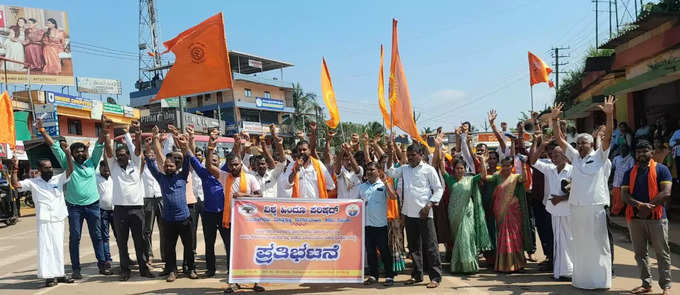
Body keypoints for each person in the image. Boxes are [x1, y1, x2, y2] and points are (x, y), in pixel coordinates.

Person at [550, 97, 615, 290]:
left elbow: (609, 136)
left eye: (583, 143)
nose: (579, 146)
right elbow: (560, 140)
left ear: (591, 144)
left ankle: (601, 281)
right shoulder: (575, 158)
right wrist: (554, 120)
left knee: (598, 245)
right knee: (580, 245)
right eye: (578, 143)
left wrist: (609, 115)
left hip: (595, 208)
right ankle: (581, 280)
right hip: (577, 208)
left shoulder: (600, 156)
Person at [37, 117, 111, 279]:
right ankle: (76, 269)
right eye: (76, 152)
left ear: (86, 152)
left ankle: (102, 264)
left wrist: (104, 129)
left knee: (97, 236)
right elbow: (54, 146)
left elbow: (99, 145)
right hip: (74, 207)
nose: (79, 154)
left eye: (82, 151)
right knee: (75, 238)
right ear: (72, 154)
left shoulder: (92, 162)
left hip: (93, 206)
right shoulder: (67, 162)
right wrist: (42, 130)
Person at [195, 138, 262, 293]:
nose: (233, 167)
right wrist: (211, 145)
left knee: (251, 250)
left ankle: (255, 280)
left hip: (247, 222)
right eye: (231, 165)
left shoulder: (251, 178)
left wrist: (244, 196)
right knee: (231, 251)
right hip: (230, 221)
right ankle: (233, 281)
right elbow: (209, 166)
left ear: (241, 164)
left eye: (236, 164)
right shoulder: (225, 177)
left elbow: (259, 196)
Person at [386, 139, 443, 288]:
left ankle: (435, 277)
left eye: (413, 155)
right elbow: (390, 172)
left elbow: (438, 189)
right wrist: (391, 153)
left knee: (430, 246)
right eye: (409, 155)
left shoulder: (429, 169)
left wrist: (429, 205)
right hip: (409, 213)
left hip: (425, 213)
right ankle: (417, 275)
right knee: (413, 247)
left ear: (421, 155)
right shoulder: (404, 169)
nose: (410, 158)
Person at [11, 154, 75, 287]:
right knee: (46, 248)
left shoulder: (58, 179)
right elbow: (16, 185)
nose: (50, 170)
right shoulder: (33, 182)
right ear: (40, 170)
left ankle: (60, 274)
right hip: (44, 220)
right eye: (46, 168)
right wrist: (14, 168)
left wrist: (68, 154)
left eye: (50, 167)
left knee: (58, 247)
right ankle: (49, 276)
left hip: (58, 218)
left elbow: (70, 170)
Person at [433, 134, 491, 274]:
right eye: (457, 168)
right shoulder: (450, 180)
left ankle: (469, 264)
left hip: (467, 212)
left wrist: (482, 161)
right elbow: (441, 169)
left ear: (465, 169)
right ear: (453, 169)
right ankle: (458, 265)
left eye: (461, 168)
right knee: (457, 238)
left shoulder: (470, 179)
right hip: (454, 213)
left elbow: (483, 175)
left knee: (467, 235)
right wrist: (440, 148)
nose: (459, 170)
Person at [621, 140, 673, 295]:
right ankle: (646, 284)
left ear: (652, 152)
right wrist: (639, 206)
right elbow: (624, 195)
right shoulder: (629, 172)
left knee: (662, 252)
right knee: (640, 253)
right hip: (635, 217)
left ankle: (666, 286)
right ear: (635, 154)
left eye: (645, 151)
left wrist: (648, 207)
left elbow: (666, 192)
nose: (641, 154)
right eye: (638, 152)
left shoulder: (662, 170)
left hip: (657, 217)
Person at [104, 120, 153, 280]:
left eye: (123, 155)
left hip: (137, 209)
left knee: (140, 241)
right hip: (119, 210)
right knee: (122, 242)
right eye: (118, 156)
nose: (120, 157)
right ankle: (125, 270)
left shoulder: (136, 164)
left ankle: (144, 268)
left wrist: (137, 132)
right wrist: (106, 132)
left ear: (128, 156)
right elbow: (109, 151)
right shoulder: (113, 167)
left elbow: (137, 150)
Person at [146, 127, 195, 282]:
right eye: (166, 165)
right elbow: (152, 165)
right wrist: (149, 151)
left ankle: (191, 269)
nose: (168, 167)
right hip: (168, 220)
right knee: (170, 248)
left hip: (184, 219)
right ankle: (172, 271)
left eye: (171, 165)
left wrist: (185, 145)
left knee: (189, 247)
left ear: (176, 167)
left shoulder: (182, 176)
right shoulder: (161, 178)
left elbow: (187, 160)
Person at [186, 128, 230, 278]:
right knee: (209, 244)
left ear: (220, 163)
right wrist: (186, 143)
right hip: (208, 214)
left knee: (228, 244)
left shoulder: (224, 172)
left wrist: (236, 144)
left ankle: (231, 270)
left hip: (224, 214)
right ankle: (210, 269)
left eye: (215, 161)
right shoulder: (203, 173)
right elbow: (192, 157)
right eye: (210, 161)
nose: (213, 164)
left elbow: (237, 156)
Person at [530, 139, 574, 281]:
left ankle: (571, 271)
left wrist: (561, 199)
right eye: (552, 156)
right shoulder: (550, 169)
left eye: (557, 156)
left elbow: (578, 190)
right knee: (558, 240)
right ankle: (560, 271)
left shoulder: (572, 170)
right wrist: (541, 144)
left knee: (569, 240)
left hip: (569, 211)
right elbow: (533, 161)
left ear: (565, 157)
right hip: (555, 211)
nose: (554, 159)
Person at [490, 156, 532, 272]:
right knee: (502, 235)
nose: (506, 168)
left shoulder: (515, 177)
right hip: (500, 210)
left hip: (514, 210)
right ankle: (504, 264)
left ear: (512, 166)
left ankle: (517, 263)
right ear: (501, 166)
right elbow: (485, 178)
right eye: (504, 165)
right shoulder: (497, 177)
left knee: (515, 236)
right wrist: (483, 162)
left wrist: (523, 165)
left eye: (508, 165)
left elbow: (524, 178)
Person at [360, 162, 397, 286]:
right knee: (370, 252)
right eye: (368, 169)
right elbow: (355, 204)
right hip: (367, 225)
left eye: (372, 169)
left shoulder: (383, 185)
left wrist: (387, 183)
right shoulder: (361, 187)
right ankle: (373, 275)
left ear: (378, 171)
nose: (370, 171)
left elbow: (393, 197)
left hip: (381, 225)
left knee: (384, 251)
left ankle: (389, 276)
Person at [139, 137, 165, 266]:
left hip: (161, 198)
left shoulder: (160, 166)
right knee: (147, 229)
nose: (150, 156)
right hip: (148, 198)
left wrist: (156, 143)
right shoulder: (142, 167)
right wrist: (147, 146)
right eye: (148, 154)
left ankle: (165, 254)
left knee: (164, 228)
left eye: (152, 154)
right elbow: (143, 158)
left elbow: (161, 154)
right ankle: (148, 254)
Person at [249, 125, 287, 198]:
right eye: (258, 164)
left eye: (263, 164)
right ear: (255, 165)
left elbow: (282, 161)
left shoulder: (273, 174)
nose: (261, 166)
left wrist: (280, 145)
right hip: (258, 208)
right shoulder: (251, 176)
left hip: (272, 207)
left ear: (267, 165)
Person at [96, 161, 114, 269]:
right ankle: (107, 259)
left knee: (120, 236)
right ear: (100, 168)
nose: (107, 171)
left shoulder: (113, 177)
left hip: (115, 210)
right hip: (102, 211)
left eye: (108, 169)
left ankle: (125, 257)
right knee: (105, 236)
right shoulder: (95, 178)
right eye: (104, 169)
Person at [611, 145, 635, 215]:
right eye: (621, 149)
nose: (622, 151)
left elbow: (632, 171)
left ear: (628, 150)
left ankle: (616, 212)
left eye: (624, 149)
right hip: (616, 181)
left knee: (621, 199)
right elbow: (613, 169)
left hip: (625, 183)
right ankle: (615, 210)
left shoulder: (631, 159)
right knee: (615, 198)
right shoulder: (616, 158)